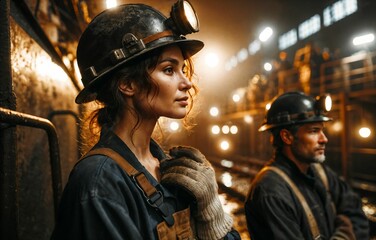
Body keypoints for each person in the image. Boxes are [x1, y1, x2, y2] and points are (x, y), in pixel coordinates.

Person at [51, 1, 240, 239]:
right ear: (128, 84)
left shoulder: (167, 166)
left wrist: (212, 212)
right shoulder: (99, 183)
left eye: (183, 69)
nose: (187, 83)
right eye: (169, 70)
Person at [244, 91, 369, 240]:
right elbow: (350, 224)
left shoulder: (320, 172)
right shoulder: (270, 191)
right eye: (314, 131)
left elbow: (357, 215)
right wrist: (345, 233)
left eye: (322, 130)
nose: (324, 139)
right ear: (287, 137)